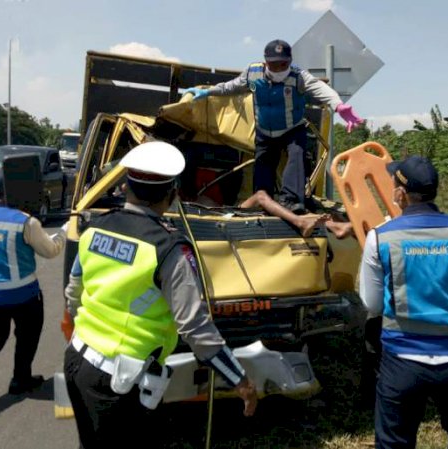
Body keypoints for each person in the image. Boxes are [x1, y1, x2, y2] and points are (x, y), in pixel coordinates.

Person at [63, 141, 258, 449]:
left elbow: (74, 292)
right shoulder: (169, 249)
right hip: (116, 383)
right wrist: (240, 381)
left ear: (126, 186)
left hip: (76, 361)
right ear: (172, 194)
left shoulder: (94, 228)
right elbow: (195, 328)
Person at [358, 155, 448, 449]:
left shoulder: (380, 238)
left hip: (402, 362)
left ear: (400, 193)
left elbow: (372, 303)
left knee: (395, 442)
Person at [184, 39, 364, 215]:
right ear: (265, 63)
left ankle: (291, 201)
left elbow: (319, 88)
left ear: (290, 62)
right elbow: (232, 87)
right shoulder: (253, 73)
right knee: (263, 165)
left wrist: (338, 105)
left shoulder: (297, 76)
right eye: (273, 65)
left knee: (296, 155)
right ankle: (263, 202)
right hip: (265, 131)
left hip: (292, 128)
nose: (279, 69)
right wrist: (208, 91)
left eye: (283, 64)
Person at [0, 180, 67, 417]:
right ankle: (20, 379)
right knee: (28, 333)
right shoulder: (26, 222)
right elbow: (50, 250)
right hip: (21, 293)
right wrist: (65, 231)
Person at [239, 189, 354, 239]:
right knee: (260, 196)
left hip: (231, 209)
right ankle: (302, 223)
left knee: (286, 210)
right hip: (225, 212)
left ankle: (334, 226)